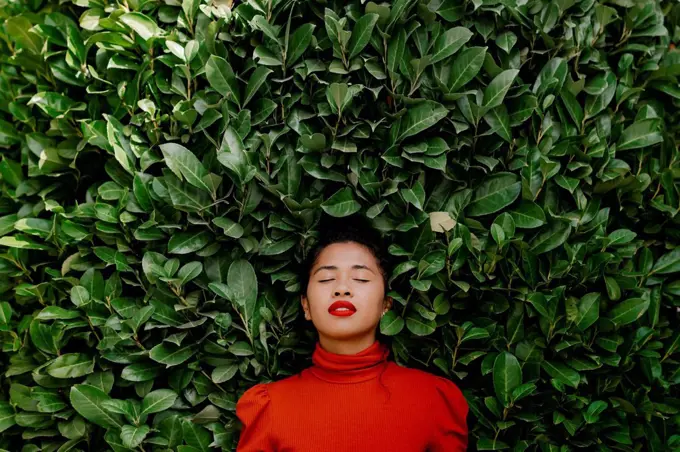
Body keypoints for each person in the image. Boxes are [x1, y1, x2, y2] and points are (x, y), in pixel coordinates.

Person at [235, 214, 469, 451]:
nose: (342, 288)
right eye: (326, 279)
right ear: (305, 305)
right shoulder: (269, 407)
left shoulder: (432, 400)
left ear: (386, 305)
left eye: (360, 278)